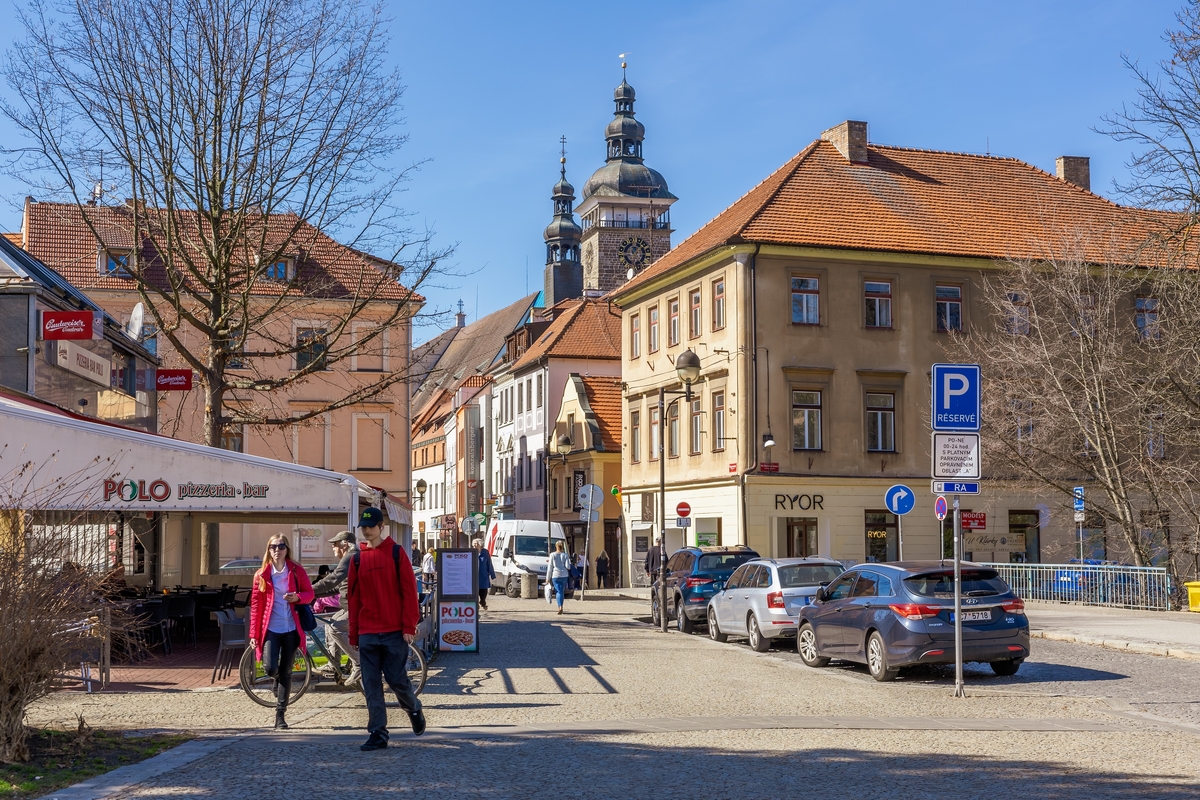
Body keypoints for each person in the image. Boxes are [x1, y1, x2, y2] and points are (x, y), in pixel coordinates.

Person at [348, 507, 425, 751]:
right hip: (368, 631)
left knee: (396, 679)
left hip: (393, 631)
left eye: (371, 526)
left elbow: (408, 592)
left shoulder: (395, 552)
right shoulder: (357, 559)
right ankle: (378, 733)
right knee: (371, 684)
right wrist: (354, 632)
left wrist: (409, 625)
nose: (367, 530)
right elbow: (353, 599)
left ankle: (413, 707)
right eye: (364, 527)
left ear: (382, 527)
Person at [248, 534, 314, 729]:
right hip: (271, 628)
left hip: (292, 628)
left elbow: (309, 594)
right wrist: (253, 634)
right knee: (270, 668)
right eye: (273, 547)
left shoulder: (296, 570)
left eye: (281, 546)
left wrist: (297, 598)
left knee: (286, 671)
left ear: (287, 549)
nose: (277, 550)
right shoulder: (261, 575)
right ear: (268, 550)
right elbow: (255, 606)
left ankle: (280, 715)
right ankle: (275, 679)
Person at [311, 531, 357, 683]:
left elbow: (332, 580)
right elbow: (337, 587)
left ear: (344, 544)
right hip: (351, 607)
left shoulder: (350, 556)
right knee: (330, 622)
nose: (333, 547)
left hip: (359, 608)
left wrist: (309, 590)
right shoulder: (350, 557)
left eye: (335, 544)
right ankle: (334, 663)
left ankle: (359, 663)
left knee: (335, 628)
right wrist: (312, 595)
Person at [547, 540, 571, 615]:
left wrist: (548, 577)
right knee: (561, 591)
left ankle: (560, 606)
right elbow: (568, 566)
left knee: (558, 591)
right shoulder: (565, 555)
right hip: (564, 575)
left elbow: (550, 567)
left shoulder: (552, 555)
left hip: (556, 575)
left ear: (556, 546)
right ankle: (561, 606)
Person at [472, 538, 496, 610]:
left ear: (480, 544)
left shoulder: (485, 552)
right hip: (474, 576)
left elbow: (489, 563)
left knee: (483, 592)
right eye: (474, 544)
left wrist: (492, 574)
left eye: (476, 543)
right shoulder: (472, 552)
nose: (475, 545)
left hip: (483, 575)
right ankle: (476, 605)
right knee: (475, 592)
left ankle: (482, 602)